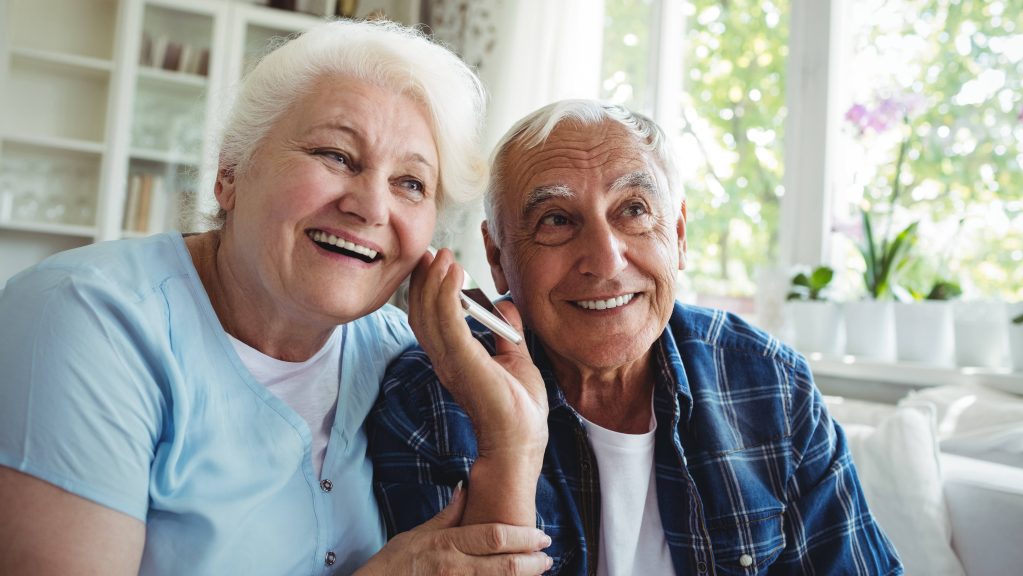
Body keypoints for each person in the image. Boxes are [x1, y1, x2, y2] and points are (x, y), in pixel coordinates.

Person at [0, 19, 553, 575]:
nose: (371, 207)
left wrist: (512, 441)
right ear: (230, 175)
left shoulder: (399, 356)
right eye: (336, 155)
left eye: (411, 183)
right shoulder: (83, 321)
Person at [370, 100, 904, 575]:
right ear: (497, 257)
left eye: (633, 211)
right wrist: (509, 442)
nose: (605, 260)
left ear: (677, 234)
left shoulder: (771, 384)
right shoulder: (430, 397)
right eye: (556, 220)